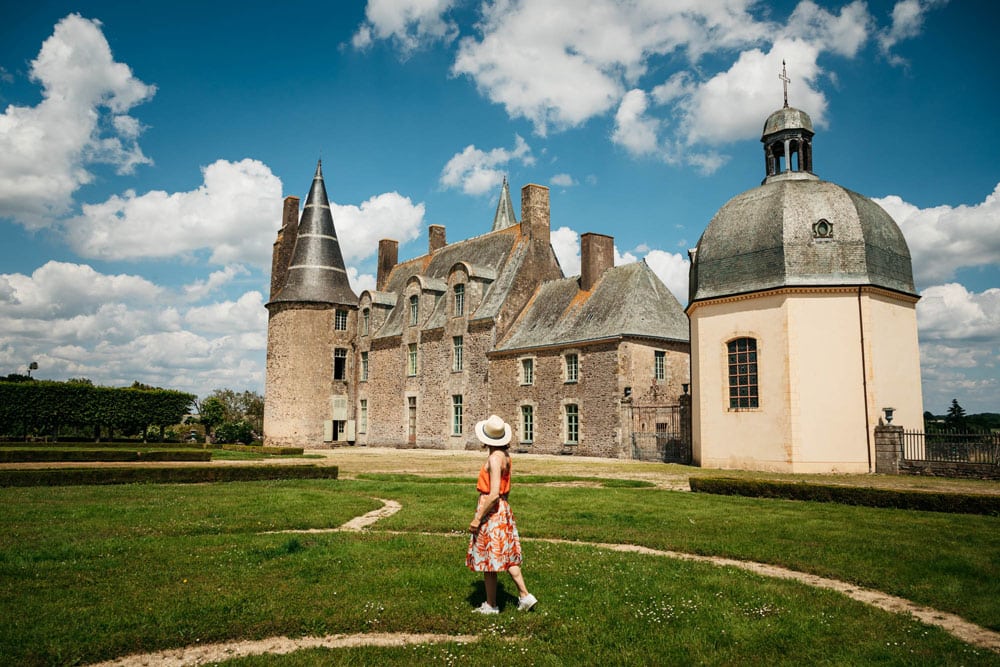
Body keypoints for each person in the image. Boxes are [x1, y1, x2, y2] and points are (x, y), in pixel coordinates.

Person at [467, 414, 538, 614]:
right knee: (507, 556)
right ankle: (525, 596)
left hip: (493, 512)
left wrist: (478, 517)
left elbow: (494, 493)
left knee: (490, 558)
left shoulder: (494, 458)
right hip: (503, 509)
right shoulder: (506, 457)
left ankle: (491, 605)